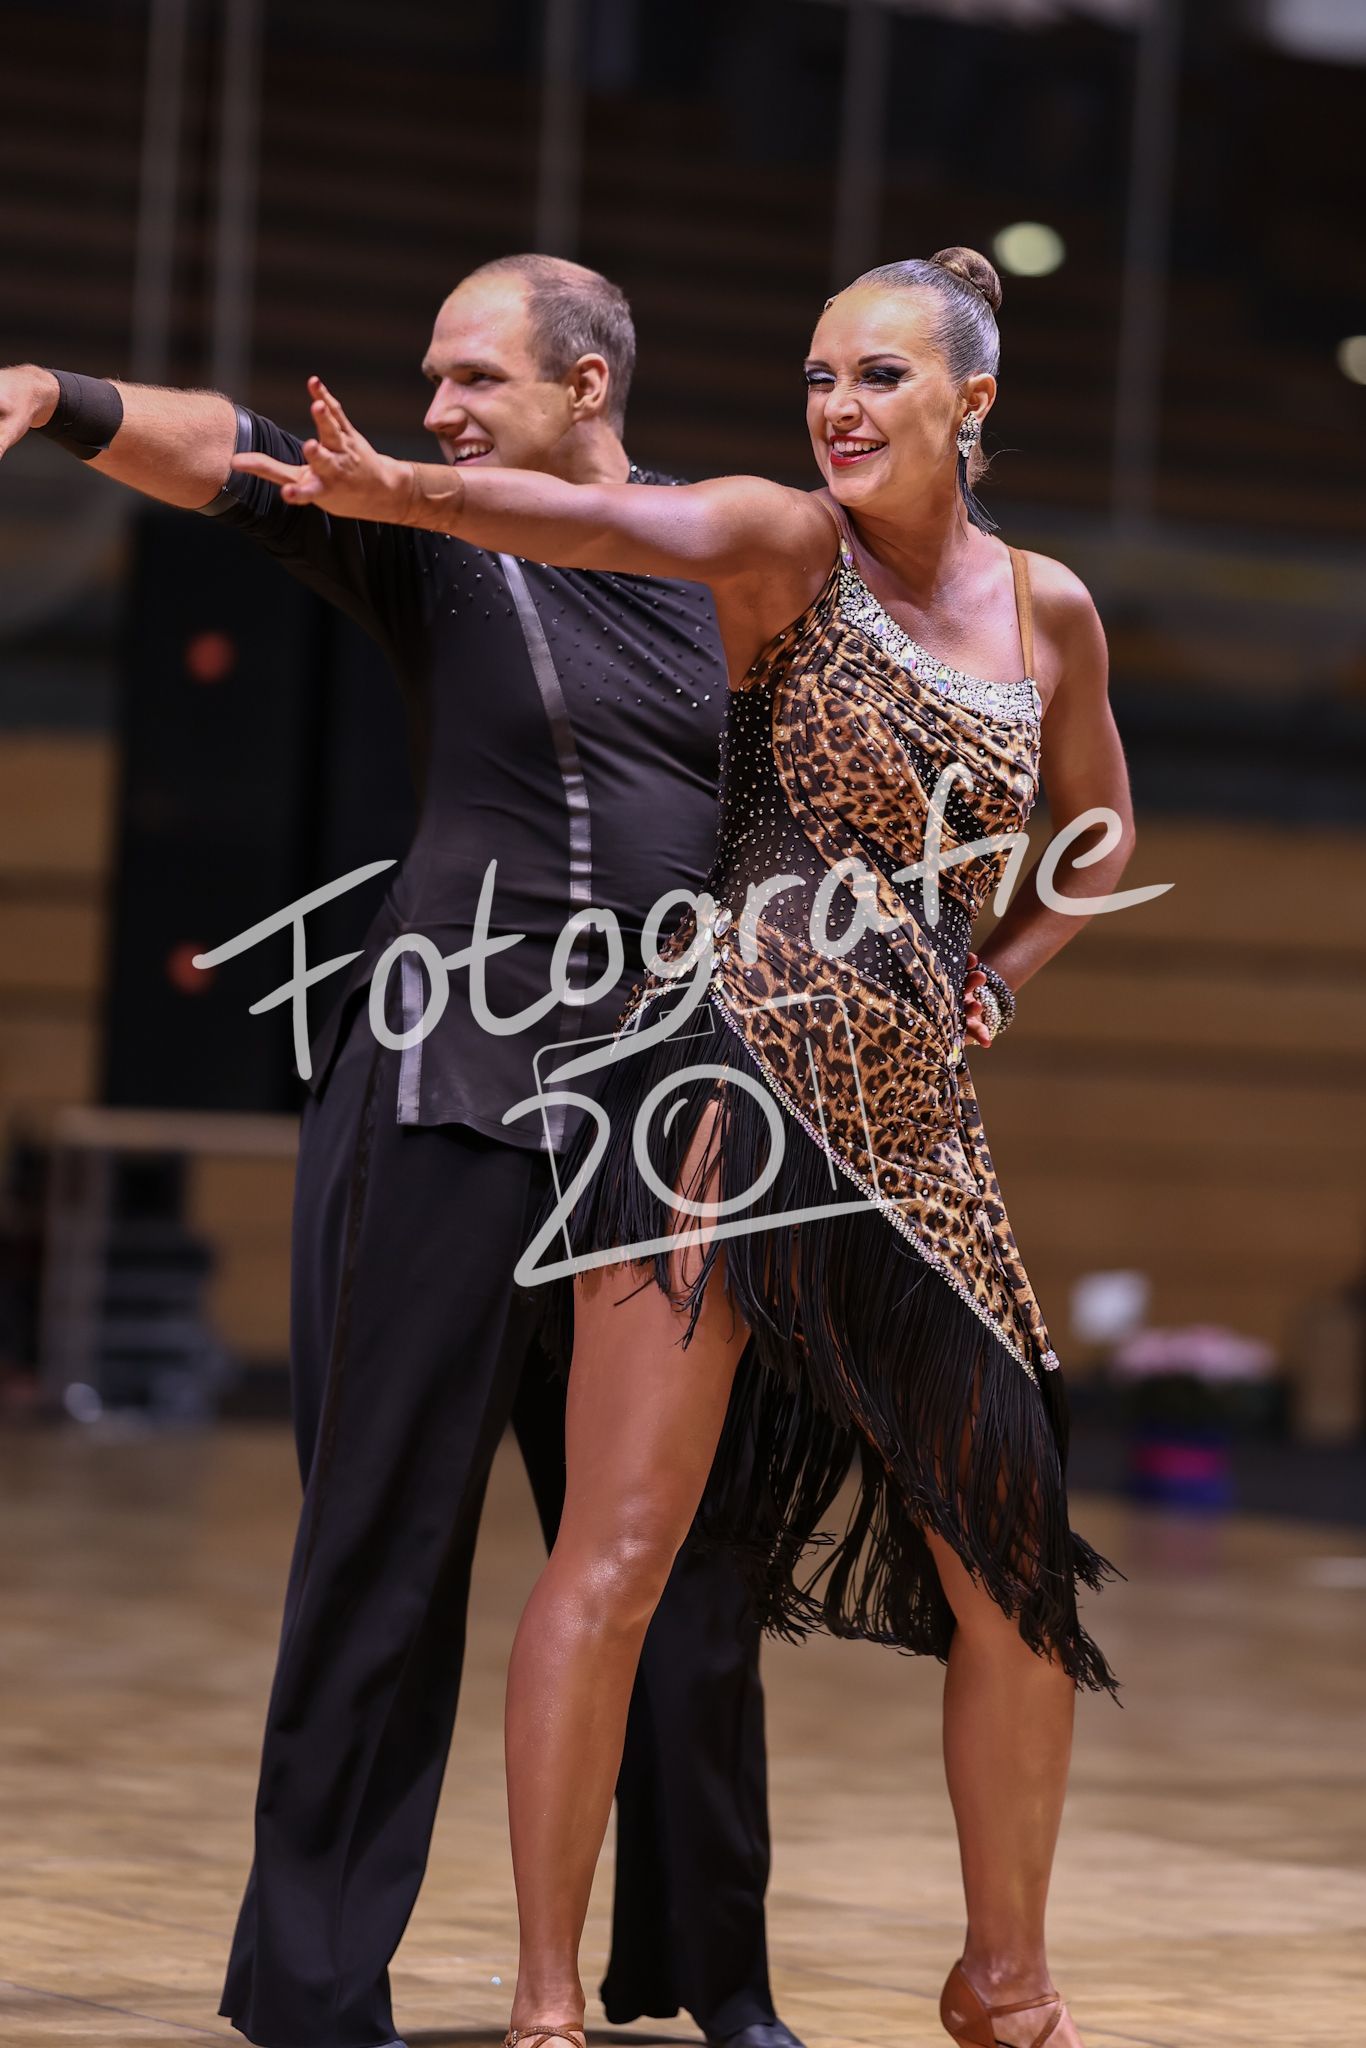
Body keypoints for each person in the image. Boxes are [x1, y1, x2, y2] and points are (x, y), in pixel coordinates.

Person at [230, 243, 1136, 2048]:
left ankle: (1004, 1984)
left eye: (876, 376)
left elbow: (1099, 829)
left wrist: (1000, 972)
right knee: (624, 1551)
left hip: (912, 1133)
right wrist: (407, 491)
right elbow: (596, 524)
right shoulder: (783, 541)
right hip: (711, 1096)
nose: (835, 409)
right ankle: (547, 1999)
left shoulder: (1049, 610)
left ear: (971, 400)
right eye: (816, 377)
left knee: (1015, 1575)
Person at [0, 257, 804, 2048]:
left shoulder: (724, 553)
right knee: (385, 1537)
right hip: (452, 1086)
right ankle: (314, 1985)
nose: (434, 410)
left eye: (471, 378)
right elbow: (236, 456)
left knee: (683, 1554)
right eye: (431, 379)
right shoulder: (428, 531)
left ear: (586, 385)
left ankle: (711, 1973)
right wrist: (61, 398)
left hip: (669, 1115)